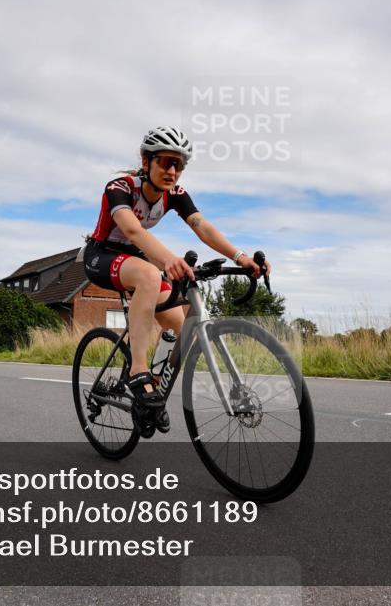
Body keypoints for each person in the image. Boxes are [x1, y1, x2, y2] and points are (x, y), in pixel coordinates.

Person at [83, 126, 271, 433]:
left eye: (179, 165)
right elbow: (133, 231)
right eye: (166, 162)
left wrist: (241, 257)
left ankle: (149, 395)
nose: (173, 170)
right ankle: (139, 370)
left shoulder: (175, 195)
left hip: (135, 256)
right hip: (101, 256)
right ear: (147, 162)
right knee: (148, 274)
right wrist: (168, 260)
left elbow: (202, 227)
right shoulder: (121, 187)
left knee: (179, 325)